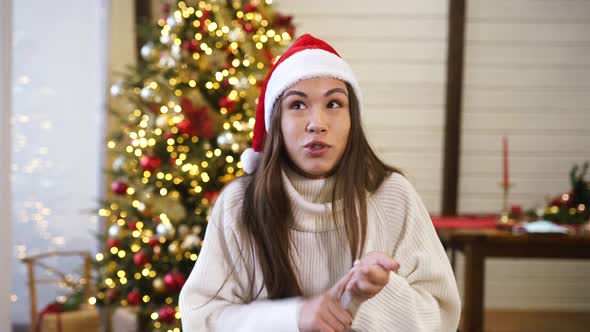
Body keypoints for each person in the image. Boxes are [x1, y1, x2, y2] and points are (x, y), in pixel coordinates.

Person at [179, 33, 461, 332]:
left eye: (334, 104)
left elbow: (442, 317)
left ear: (352, 119)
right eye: (298, 105)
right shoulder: (240, 204)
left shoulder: (391, 195)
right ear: (277, 122)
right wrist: (294, 319)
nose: (317, 123)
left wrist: (372, 294)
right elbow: (201, 318)